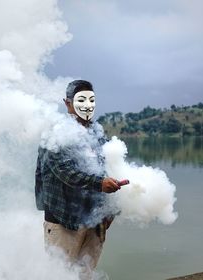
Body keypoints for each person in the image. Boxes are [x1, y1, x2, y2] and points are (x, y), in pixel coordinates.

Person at [35, 80, 121, 277]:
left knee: (85, 274)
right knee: (59, 275)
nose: (88, 105)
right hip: (63, 220)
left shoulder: (96, 132)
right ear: (67, 103)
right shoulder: (54, 133)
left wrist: (111, 209)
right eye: (82, 100)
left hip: (94, 221)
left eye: (92, 100)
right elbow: (64, 171)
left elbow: (106, 168)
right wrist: (99, 184)